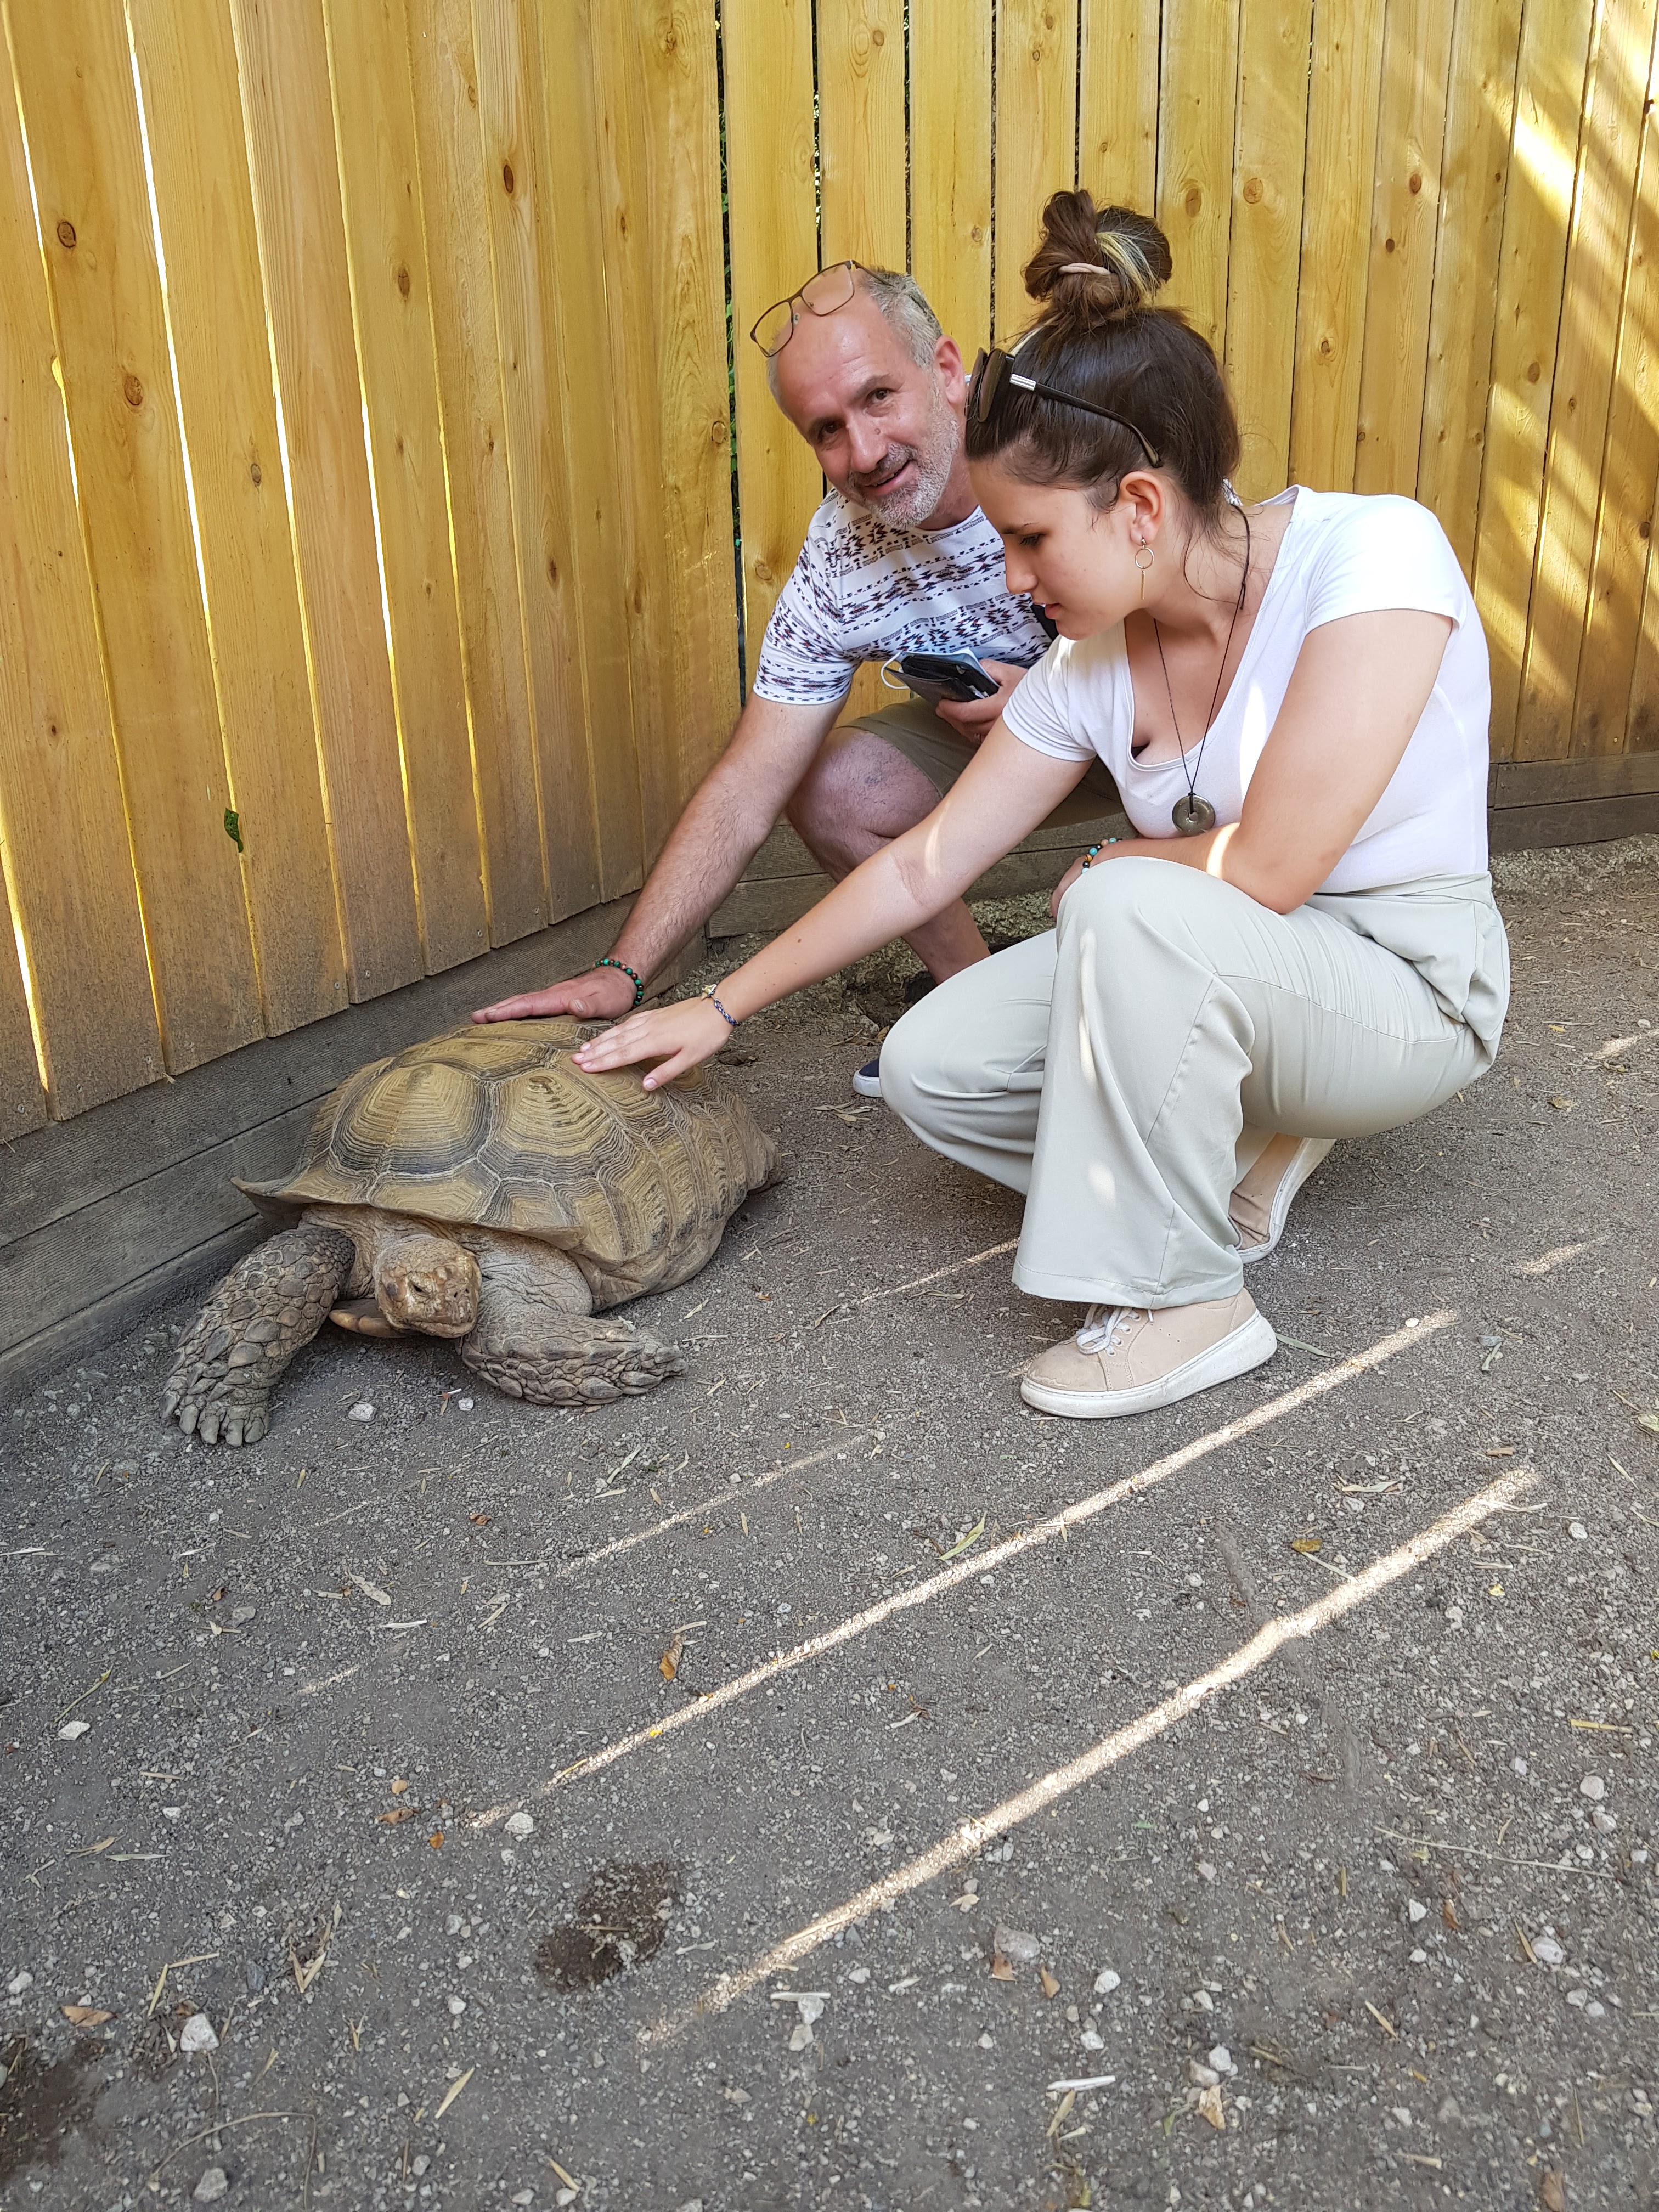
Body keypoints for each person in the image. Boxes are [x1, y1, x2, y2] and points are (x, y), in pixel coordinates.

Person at [566, 192, 1508, 1423]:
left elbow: (1274, 868)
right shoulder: (1089, 662)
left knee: (1118, 903)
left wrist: (1119, 861)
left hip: (1406, 979)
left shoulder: (1374, 556)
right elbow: (924, 864)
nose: (1011, 579)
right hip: (1240, 962)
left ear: (1140, 507)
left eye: (1030, 540)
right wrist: (716, 1002)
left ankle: (1185, 1303)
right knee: (934, 1066)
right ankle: (1231, 1159)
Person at [472, 260, 1117, 1094]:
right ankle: (984, 1014)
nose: (865, 452)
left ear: (947, 370)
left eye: (878, 396)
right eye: (826, 429)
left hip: (1158, 737)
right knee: (830, 783)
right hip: (1005, 749)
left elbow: (1226, 642)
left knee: (1106, 886)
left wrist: (1062, 704)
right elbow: (749, 785)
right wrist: (625, 971)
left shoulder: (1066, 436)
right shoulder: (841, 555)